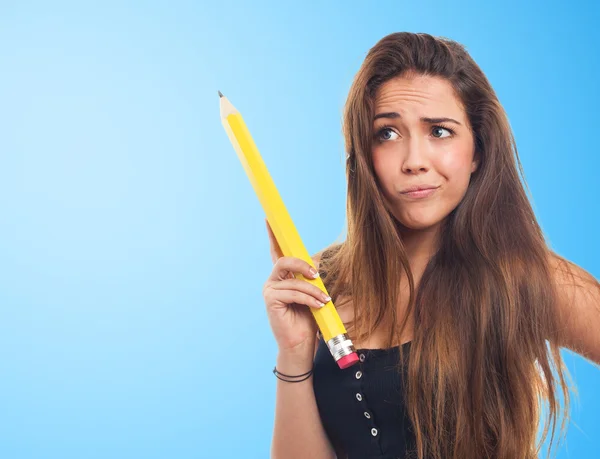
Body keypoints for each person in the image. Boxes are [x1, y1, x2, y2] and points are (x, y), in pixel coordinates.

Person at [262, 32, 600, 459]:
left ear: (477, 149)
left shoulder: (525, 277)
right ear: (361, 153)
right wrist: (293, 352)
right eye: (387, 133)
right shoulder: (321, 282)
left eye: (440, 131)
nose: (414, 160)